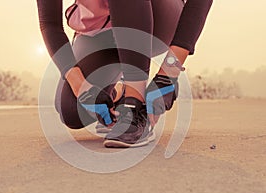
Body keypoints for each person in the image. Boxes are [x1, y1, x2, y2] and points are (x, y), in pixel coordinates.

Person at [36, 0, 213, 148]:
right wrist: (82, 87)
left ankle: (134, 106)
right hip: (100, 30)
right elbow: (49, 23)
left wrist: (168, 74)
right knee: (72, 111)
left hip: (158, 17)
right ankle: (119, 94)